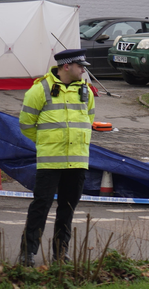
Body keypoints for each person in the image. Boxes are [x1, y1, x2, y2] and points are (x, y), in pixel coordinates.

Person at [18, 49, 96, 266]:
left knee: (67, 210)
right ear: (66, 66)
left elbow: (88, 121)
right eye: (80, 66)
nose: (84, 70)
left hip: (78, 161)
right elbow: (26, 124)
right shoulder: (39, 89)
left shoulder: (86, 91)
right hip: (51, 161)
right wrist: (46, 143)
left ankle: (61, 254)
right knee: (40, 207)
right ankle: (27, 253)